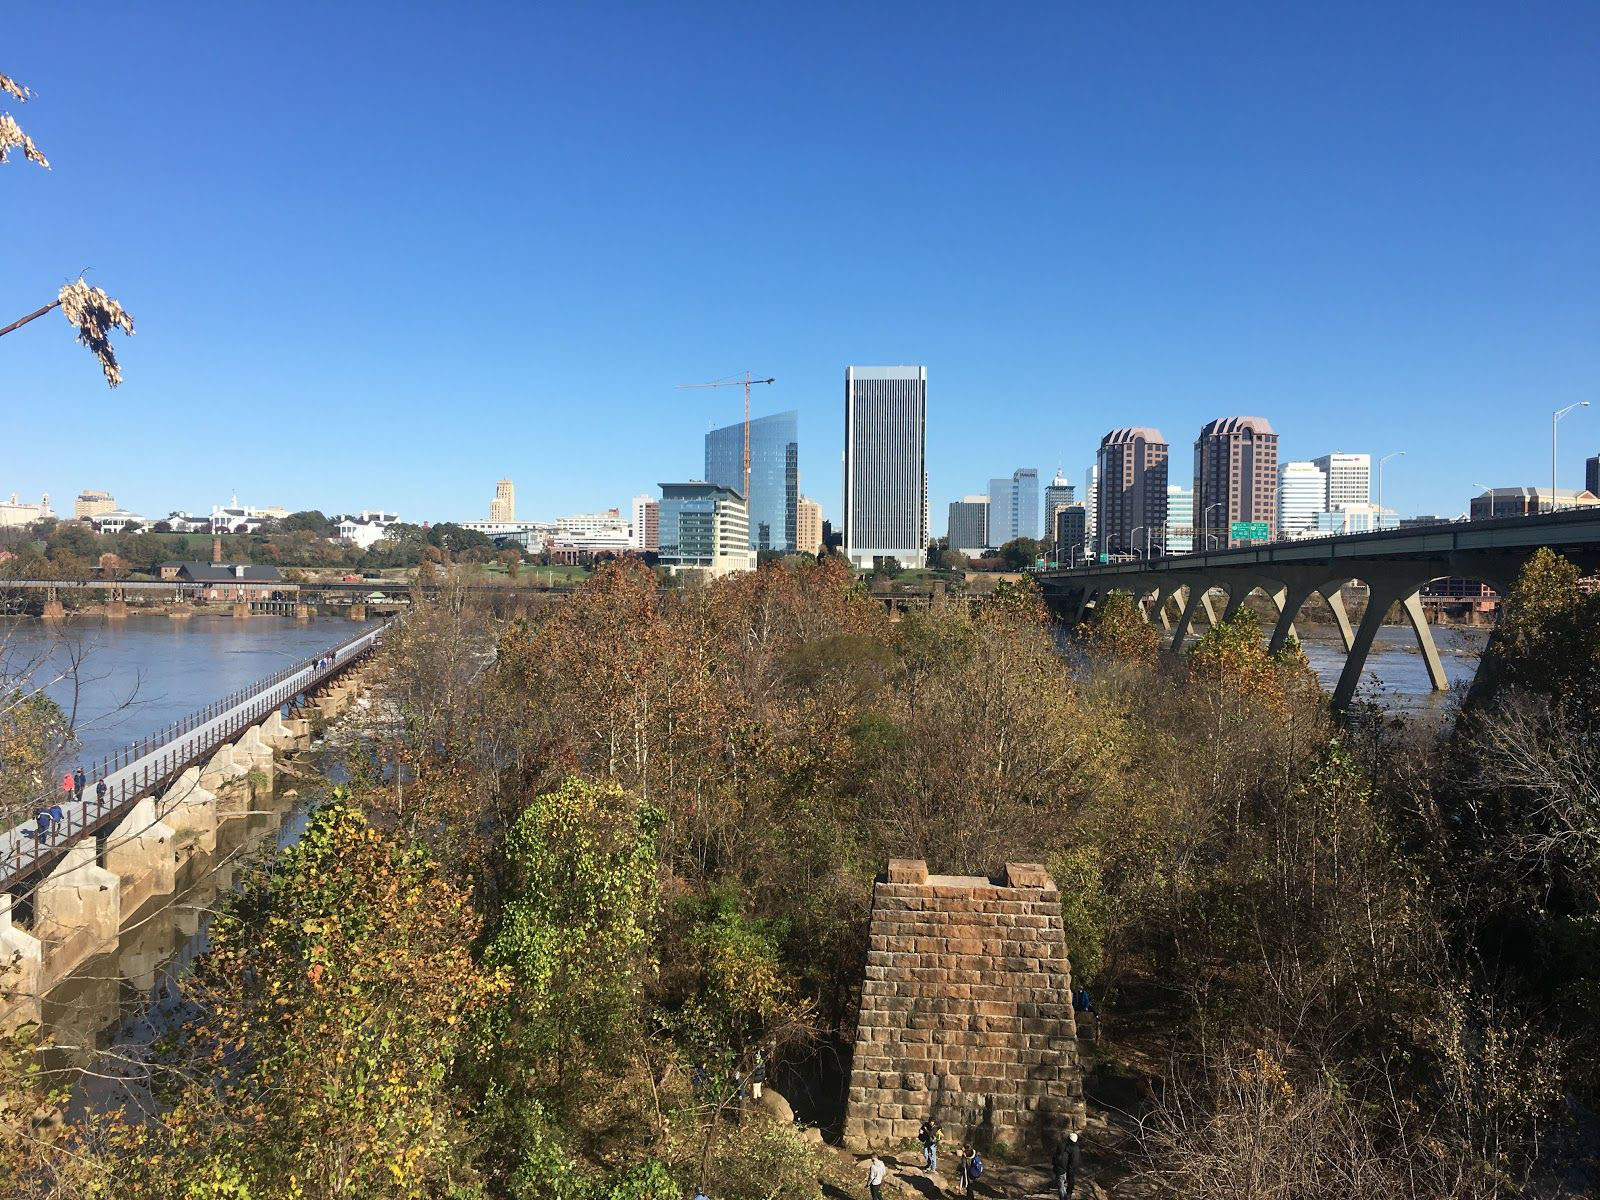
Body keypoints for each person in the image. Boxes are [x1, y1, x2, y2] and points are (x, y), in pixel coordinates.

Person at [1052, 1130, 1081, 1199]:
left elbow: (1062, 1160)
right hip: (1070, 1166)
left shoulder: (1069, 1148)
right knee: (1069, 1180)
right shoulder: (1075, 1147)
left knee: (1065, 1183)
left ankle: (1067, 1194)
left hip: (1068, 1167)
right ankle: (1068, 1193)